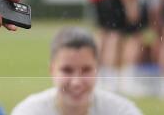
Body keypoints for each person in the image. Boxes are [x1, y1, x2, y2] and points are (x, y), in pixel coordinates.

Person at [11, 27, 142, 115]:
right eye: (67, 70)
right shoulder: (29, 111)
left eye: (86, 70)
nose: (76, 82)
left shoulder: (121, 110)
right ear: (52, 70)